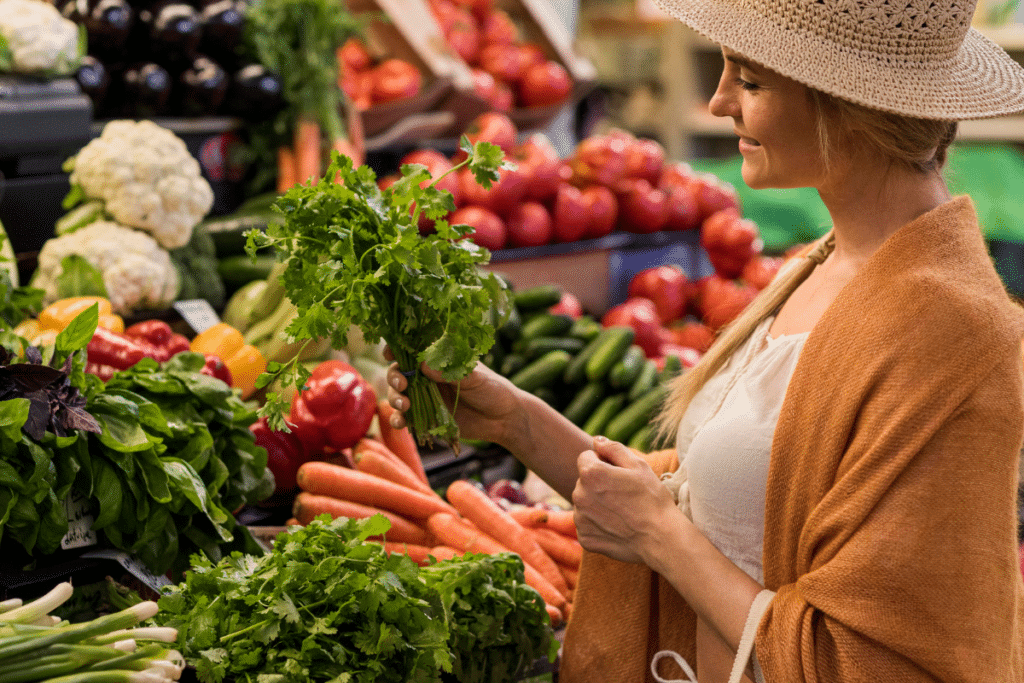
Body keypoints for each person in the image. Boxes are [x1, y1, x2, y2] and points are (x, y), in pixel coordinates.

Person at [385, 0, 1024, 677]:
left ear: (847, 104)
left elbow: (873, 661)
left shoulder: (954, 334)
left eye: (750, 80)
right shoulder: (821, 263)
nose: (720, 102)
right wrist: (516, 420)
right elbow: (713, 503)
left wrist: (658, 536)